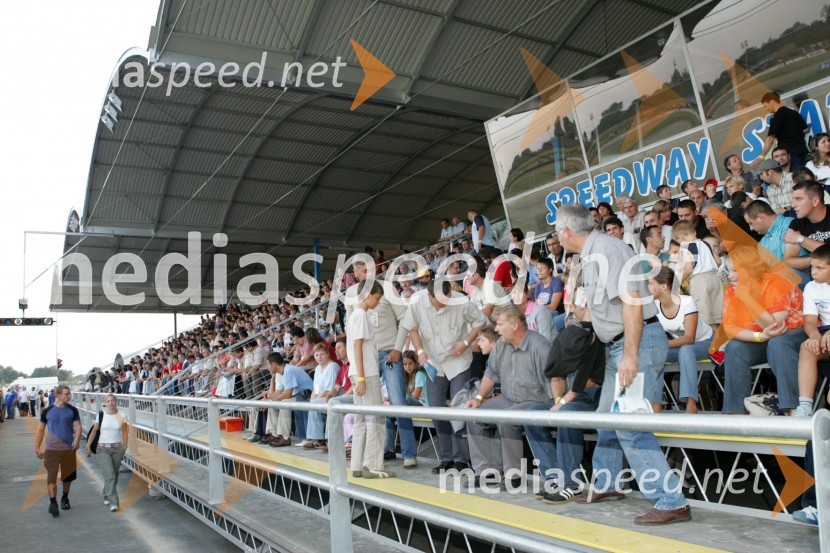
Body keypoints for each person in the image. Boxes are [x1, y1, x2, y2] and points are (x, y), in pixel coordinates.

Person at [554, 204, 690, 525]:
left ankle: (670, 499)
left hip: (635, 342)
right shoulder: (591, 254)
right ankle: (608, 482)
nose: (557, 237)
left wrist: (630, 355)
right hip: (619, 344)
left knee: (630, 425)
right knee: (606, 419)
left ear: (567, 232)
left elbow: (631, 301)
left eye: (557, 230)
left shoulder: (607, 250)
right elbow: (605, 308)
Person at [403, 280, 488, 475]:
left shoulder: (460, 301)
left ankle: (461, 459)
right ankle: (446, 458)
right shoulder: (417, 302)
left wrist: (466, 342)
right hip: (433, 362)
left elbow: (480, 321)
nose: (445, 302)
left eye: (447, 298)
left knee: (458, 408)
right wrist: (420, 350)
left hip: (458, 360)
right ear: (429, 295)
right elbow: (412, 328)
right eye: (440, 300)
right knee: (436, 409)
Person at [465, 306, 552, 488]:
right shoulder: (502, 345)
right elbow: (491, 373)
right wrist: (479, 398)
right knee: (473, 414)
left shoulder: (539, 346)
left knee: (507, 418)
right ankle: (485, 472)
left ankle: (514, 476)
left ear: (515, 325)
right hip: (508, 399)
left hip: (535, 401)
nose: (496, 329)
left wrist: (554, 412)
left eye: (500, 324)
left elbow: (553, 381)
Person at [720, 246, 804, 415]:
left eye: (735, 270)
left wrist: (746, 298)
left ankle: (792, 409)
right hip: (767, 339)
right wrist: (759, 336)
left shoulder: (776, 282)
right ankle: (735, 412)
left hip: (795, 335)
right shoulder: (733, 288)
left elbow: (775, 325)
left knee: (778, 342)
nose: (730, 276)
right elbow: (729, 328)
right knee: (734, 347)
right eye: (729, 270)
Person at [649, 267, 713, 413]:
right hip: (678, 345)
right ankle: (655, 403)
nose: (648, 288)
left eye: (651, 284)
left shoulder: (687, 302)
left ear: (664, 286)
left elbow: (689, 338)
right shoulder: (653, 306)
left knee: (686, 349)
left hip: (704, 343)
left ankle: (691, 403)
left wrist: (662, 345)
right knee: (655, 354)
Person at [348, 280, 394, 479]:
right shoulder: (360, 315)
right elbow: (358, 347)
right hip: (365, 373)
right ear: (368, 294)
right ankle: (373, 466)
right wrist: (361, 377)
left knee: (360, 420)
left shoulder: (356, 315)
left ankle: (357, 465)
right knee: (375, 419)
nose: (378, 301)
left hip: (359, 372)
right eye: (377, 297)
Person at [792, 244, 830, 417]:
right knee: (807, 347)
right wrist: (815, 336)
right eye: (812, 267)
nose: (813, 272)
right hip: (824, 332)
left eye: (820, 268)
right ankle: (805, 407)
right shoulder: (811, 287)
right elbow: (809, 321)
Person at [34, 385, 82, 517]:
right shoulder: (47, 411)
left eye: (69, 394)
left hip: (68, 449)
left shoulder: (72, 410)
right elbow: (40, 430)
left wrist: (77, 440)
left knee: (68, 477)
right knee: (52, 476)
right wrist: (37, 448)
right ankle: (52, 502)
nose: (69, 396)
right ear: (58, 395)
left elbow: (78, 426)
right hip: (52, 449)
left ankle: (65, 497)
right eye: (66, 394)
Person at [672, 220, 723, 330]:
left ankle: (712, 343)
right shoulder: (706, 244)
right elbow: (718, 262)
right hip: (715, 278)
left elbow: (689, 268)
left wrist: (677, 283)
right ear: (694, 232)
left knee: (706, 317)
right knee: (717, 316)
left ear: (679, 238)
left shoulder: (686, 248)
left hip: (699, 280)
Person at [85, 393, 129, 512]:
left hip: (117, 449)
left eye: (113, 400)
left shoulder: (122, 415)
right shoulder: (101, 415)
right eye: (108, 401)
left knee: (114, 475)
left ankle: (106, 494)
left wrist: (125, 445)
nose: (111, 403)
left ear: (116, 402)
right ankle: (114, 502)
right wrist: (88, 445)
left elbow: (125, 431)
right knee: (109, 475)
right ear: (105, 403)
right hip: (102, 448)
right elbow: (94, 431)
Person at [753, 92, 808, 172]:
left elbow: (770, 138)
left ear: (772, 102)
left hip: (789, 154)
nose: (766, 109)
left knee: (794, 178)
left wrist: (761, 156)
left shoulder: (776, 117)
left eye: (765, 106)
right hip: (803, 150)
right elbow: (805, 129)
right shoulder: (794, 113)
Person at [303, 344, 340, 450]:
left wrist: (314, 401)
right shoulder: (318, 368)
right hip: (321, 396)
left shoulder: (333, 366)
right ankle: (316, 438)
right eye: (316, 355)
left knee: (314, 404)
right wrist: (312, 399)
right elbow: (316, 388)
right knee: (311, 403)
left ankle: (325, 439)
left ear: (327, 355)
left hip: (332, 396)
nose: (319, 357)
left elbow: (328, 389)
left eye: (322, 354)